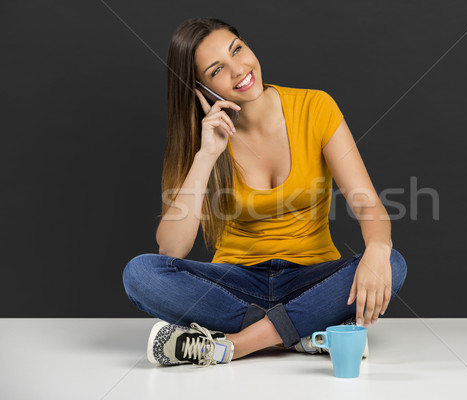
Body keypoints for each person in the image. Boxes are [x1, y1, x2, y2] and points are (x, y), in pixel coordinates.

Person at [122, 17, 408, 368]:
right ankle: (304, 332)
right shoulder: (206, 137)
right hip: (235, 285)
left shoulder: (315, 107)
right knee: (140, 274)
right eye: (217, 70)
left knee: (391, 263)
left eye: (237, 49)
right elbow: (172, 249)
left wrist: (378, 247)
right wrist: (207, 154)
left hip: (312, 279)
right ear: (200, 89)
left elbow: (368, 204)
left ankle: (235, 344)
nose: (239, 69)